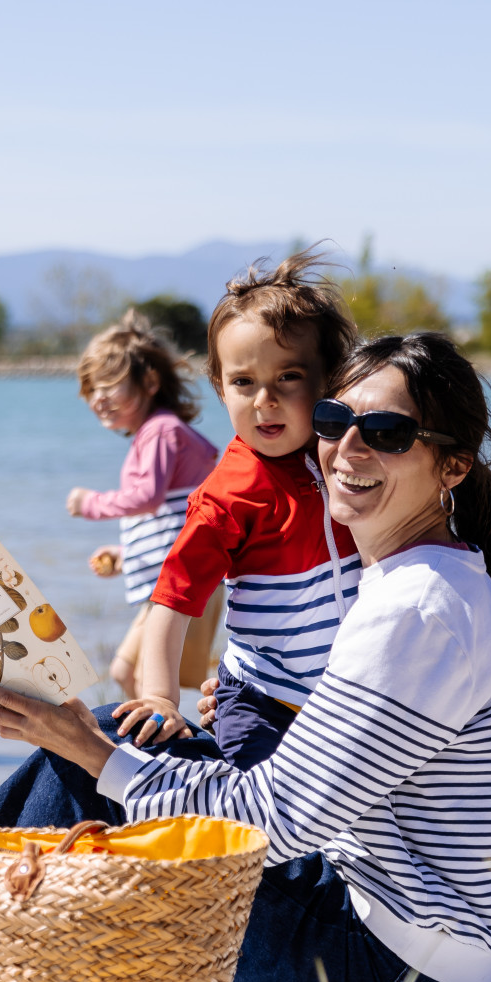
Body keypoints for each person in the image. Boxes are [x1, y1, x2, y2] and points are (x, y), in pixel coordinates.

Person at [0, 331, 491, 982]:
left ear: (451, 467)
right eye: (335, 422)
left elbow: (273, 822)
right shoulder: (434, 580)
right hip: (434, 945)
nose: (348, 450)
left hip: (397, 969)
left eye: (388, 433)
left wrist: (95, 758)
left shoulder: (416, 608)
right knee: (120, 734)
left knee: (89, 762)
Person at [112, 251, 361, 769]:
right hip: (263, 699)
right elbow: (172, 603)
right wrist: (160, 696)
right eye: (244, 382)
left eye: (288, 377)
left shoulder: (346, 456)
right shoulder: (229, 494)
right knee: (263, 802)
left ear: (327, 381)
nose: (264, 399)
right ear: (221, 388)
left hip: (345, 693)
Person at [64, 311, 223, 698]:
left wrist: (91, 503)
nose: (98, 398)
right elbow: (171, 516)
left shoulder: (160, 431)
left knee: (140, 678)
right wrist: (126, 554)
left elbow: (147, 498)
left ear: (150, 382)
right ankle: (155, 748)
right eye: (91, 389)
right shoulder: (160, 432)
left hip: (182, 581)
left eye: (109, 385)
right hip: (177, 576)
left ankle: (159, 750)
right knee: (128, 673)